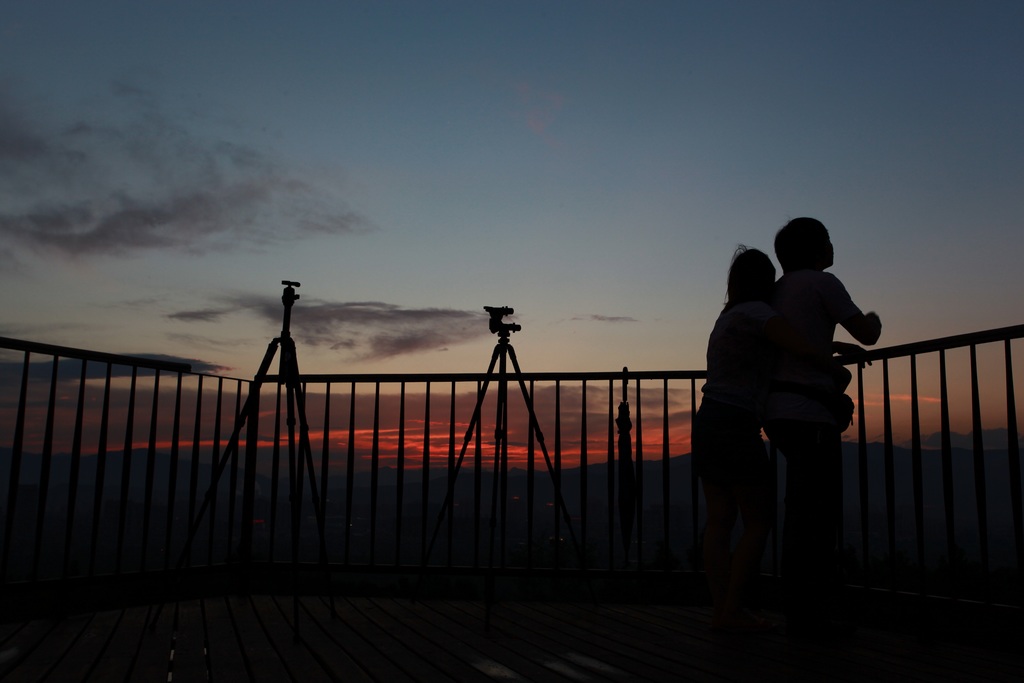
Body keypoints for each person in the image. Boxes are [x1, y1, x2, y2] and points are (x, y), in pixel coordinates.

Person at [692, 246, 848, 633]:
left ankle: (721, 611)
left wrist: (829, 348)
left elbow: (780, 345)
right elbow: (798, 347)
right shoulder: (761, 314)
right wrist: (836, 372)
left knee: (719, 520)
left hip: (708, 418)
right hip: (736, 422)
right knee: (759, 521)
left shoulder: (728, 317)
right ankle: (733, 610)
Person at [762, 217, 881, 639]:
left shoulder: (775, 290)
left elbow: (794, 334)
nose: (833, 247)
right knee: (817, 516)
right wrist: (873, 318)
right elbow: (867, 334)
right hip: (810, 413)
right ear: (817, 250)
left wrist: (830, 344)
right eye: (828, 241)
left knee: (799, 509)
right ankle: (810, 618)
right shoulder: (823, 283)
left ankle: (799, 611)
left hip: (776, 412)